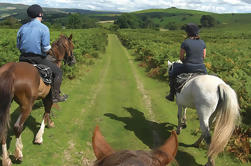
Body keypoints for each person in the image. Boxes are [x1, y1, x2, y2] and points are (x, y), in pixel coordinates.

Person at [17, 4, 68, 103]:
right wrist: (49, 51)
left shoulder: (22, 28)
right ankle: (55, 96)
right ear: (40, 14)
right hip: (37, 58)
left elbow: (18, 46)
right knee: (58, 72)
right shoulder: (44, 28)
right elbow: (45, 48)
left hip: (22, 58)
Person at [166, 23, 207, 101]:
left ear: (187, 32)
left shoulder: (185, 42)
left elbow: (181, 57)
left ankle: (171, 94)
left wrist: (186, 61)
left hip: (188, 67)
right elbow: (204, 56)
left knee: (172, 70)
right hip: (202, 67)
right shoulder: (202, 42)